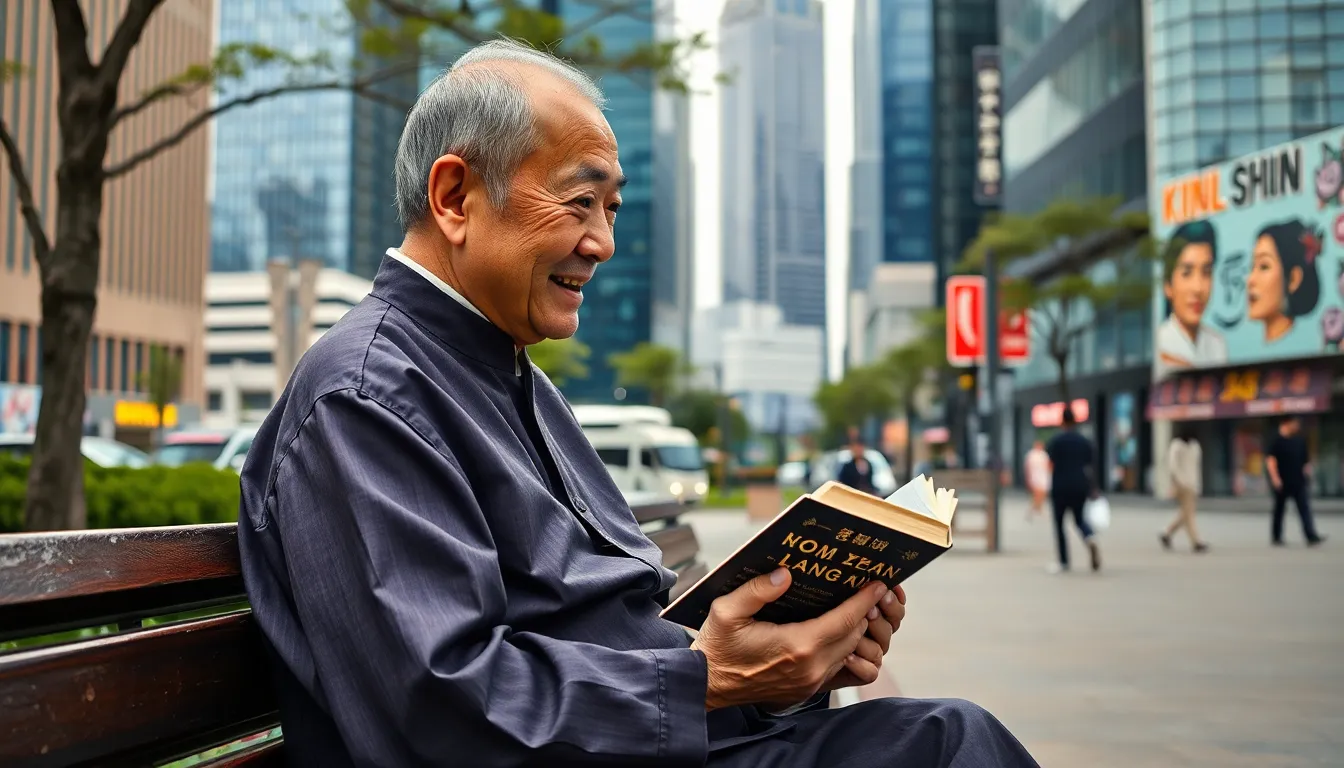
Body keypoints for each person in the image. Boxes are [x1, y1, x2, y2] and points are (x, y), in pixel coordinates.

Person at [235, 40, 1039, 768]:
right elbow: (441, 706)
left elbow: (639, 638)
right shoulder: (366, 396)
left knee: (947, 737)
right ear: (455, 196)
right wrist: (709, 680)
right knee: (950, 746)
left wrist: (791, 668)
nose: (603, 243)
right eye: (579, 202)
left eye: (611, 209)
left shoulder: (519, 383)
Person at [1155, 219, 1228, 374]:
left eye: (1206, 272)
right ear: (1168, 285)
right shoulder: (1157, 345)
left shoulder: (1217, 343)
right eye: (1186, 273)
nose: (1198, 288)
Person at [1044, 407, 1101, 573]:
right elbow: (1090, 464)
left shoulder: (1056, 441)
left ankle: (1063, 562)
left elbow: (1050, 461)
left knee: (1059, 524)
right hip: (1080, 485)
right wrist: (1094, 487)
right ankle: (1090, 537)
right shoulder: (1084, 441)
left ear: (1062, 421)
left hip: (1060, 486)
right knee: (1079, 519)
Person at [1266, 415, 1327, 547]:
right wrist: (1275, 478)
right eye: (1294, 423)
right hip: (1282, 481)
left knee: (1304, 508)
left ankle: (1311, 535)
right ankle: (1276, 536)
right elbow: (1271, 461)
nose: (1297, 426)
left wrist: (1308, 473)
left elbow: (1305, 462)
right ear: (1286, 423)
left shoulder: (1299, 441)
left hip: (1298, 481)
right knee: (1279, 510)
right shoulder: (1276, 440)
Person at [1161, 426, 1208, 553]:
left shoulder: (1195, 446)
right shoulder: (1177, 445)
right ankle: (1196, 542)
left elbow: (1197, 467)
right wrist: (1177, 481)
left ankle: (1167, 533)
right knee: (1189, 513)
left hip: (1192, 484)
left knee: (1185, 513)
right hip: (1181, 484)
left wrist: (1198, 485)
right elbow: (1172, 466)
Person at [1023, 439, 1051, 519]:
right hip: (1035, 476)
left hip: (1043, 475)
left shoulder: (1044, 455)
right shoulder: (1031, 454)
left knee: (1042, 493)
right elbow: (1027, 467)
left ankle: (1038, 508)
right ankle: (1032, 509)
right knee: (1037, 493)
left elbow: (1048, 465)